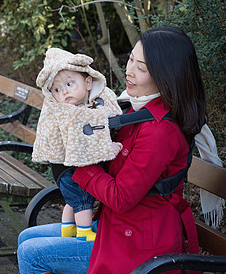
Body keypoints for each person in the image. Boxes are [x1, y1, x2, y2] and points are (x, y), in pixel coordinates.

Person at [18, 26, 207, 274]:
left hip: (138, 243)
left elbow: (121, 197)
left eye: (141, 68)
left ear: (165, 76)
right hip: (116, 224)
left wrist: (78, 164)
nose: (129, 71)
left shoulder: (160, 131)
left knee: (30, 253)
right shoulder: (134, 108)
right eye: (130, 59)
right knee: (26, 238)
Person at [32, 48, 123, 242]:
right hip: (70, 170)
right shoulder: (70, 113)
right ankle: (84, 232)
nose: (64, 92)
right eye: (56, 89)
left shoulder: (89, 104)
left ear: (88, 82)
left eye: (69, 84)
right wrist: (108, 148)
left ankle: (67, 229)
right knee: (82, 200)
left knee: (72, 201)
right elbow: (87, 142)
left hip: (61, 170)